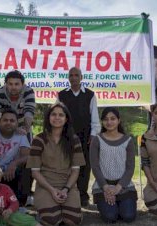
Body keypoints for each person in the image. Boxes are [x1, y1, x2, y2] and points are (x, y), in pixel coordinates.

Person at [27, 103, 85, 225]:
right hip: (46, 186)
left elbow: (76, 170)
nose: (57, 118)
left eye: (61, 115)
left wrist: (66, 189)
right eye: (53, 114)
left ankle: (62, 209)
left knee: (73, 220)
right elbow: (35, 172)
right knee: (51, 220)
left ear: (66, 119)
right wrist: (52, 190)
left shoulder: (74, 140)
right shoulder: (39, 139)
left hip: (68, 186)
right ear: (48, 118)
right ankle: (46, 211)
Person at [57, 66, 101, 207]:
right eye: (71, 75)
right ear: (68, 78)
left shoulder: (90, 95)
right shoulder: (61, 95)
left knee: (84, 166)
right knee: (66, 165)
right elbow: (57, 116)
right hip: (66, 136)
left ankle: (82, 195)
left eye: (77, 75)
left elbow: (95, 117)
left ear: (81, 78)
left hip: (85, 136)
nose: (74, 78)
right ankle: (68, 193)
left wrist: (93, 135)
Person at [90, 107, 137, 224]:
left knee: (128, 216)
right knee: (110, 217)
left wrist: (118, 188)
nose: (109, 122)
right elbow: (95, 167)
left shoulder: (128, 140)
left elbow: (130, 168)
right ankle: (111, 206)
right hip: (103, 186)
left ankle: (121, 204)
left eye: (113, 119)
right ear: (102, 121)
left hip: (124, 186)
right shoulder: (97, 140)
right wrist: (106, 188)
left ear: (119, 120)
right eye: (106, 119)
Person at [0, 108, 31, 206]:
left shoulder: (20, 135)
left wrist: (14, 163)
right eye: (5, 120)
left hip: (11, 174)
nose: (8, 123)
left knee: (28, 168)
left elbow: (27, 156)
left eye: (12, 121)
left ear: (17, 123)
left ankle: (20, 204)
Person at [0, 70, 36, 143]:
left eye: (17, 84)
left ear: (22, 84)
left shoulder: (28, 91)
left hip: (23, 126)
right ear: (6, 84)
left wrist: (25, 129)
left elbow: (29, 112)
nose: (13, 87)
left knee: (27, 150)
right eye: (10, 84)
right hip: (5, 127)